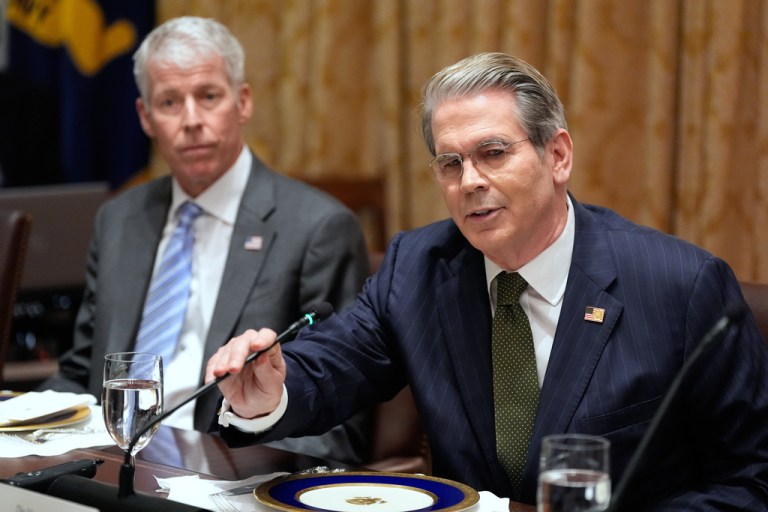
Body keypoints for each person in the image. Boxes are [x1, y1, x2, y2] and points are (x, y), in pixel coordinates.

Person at [206, 52, 768, 509]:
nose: (469, 181)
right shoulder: (418, 266)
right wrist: (270, 392)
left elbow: (752, 478)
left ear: (558, 155)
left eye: (493, 153)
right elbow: (334, 365)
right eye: (450, 164)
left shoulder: (682, 287)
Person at [41, 16, 373, 465]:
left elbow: (336, 427)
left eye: (209, 96)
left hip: (227, 474)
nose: (192, 120)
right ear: (145, 117)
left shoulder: (317, 228)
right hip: (107, 465)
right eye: (170, 102)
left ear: (243, 101)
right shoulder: (119, 219)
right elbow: (83, 373)